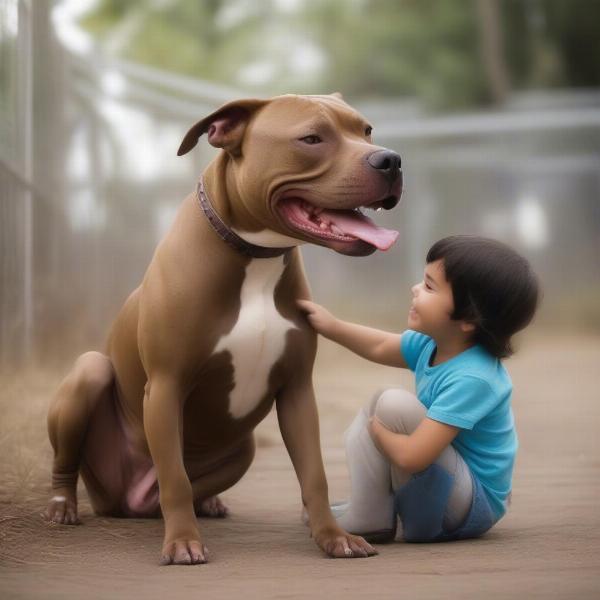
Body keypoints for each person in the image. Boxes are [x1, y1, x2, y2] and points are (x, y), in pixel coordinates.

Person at [297, 235, 540, 543]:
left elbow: (414, 458)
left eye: (428, 286)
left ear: (467, 319)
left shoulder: (475, 377)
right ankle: (368, 511)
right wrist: (330, 326)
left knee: (391, 406)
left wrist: (378, 432)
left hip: (469, 510)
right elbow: (380, 344)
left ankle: (371, 514)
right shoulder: (432, 344)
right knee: (381, 404)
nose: (415, 288)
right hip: (447, 488)